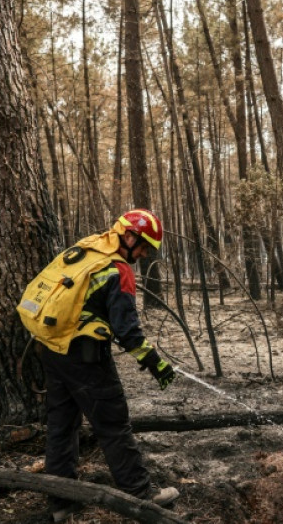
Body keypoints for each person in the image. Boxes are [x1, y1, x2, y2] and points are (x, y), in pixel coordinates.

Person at [37, 209, 180, 522]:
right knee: (113, 425)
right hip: (86, 358)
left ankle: (60, 503)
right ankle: (142, 496)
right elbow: (127, 330)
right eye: (143, 246)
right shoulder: (118, 270)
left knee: (62, 425)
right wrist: (154, 363)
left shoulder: (90, 247)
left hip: (52, 348)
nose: (143, 254)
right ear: (128, 236)